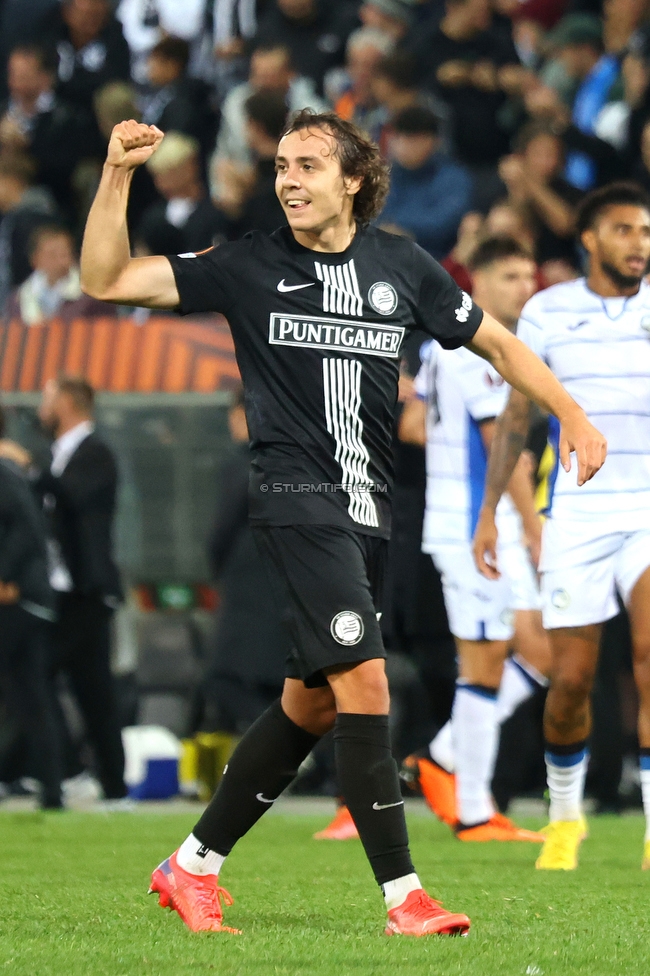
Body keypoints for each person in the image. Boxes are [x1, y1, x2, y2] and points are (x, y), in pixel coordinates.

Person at [79, 111, 604, 937]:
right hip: (294, 500)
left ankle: (190, 866)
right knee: (366, 681)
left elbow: (498, 345)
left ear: (353, 179)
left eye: (309, 166)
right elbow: (107, 279)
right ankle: (406, 899)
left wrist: (571, 413)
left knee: (313, 707)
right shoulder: (250, 265)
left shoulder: (401, 265)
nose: (288, 180)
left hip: (369, 515)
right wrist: (117, 174)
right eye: (281, 165)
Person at [473, 181, 650, 871]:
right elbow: (518, 418)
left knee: (647, 659)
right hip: (577, 511)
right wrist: (490, 511)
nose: (639, 243)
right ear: (590, 238)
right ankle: (566, 815)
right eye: (625, 230)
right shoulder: (548, 311)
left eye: (646, 231)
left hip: (647, 507)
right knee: (571, 678)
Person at [398, 236, 551, 839]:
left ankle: (442, 756)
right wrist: (534, 527)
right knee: (484, 664)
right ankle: (474, 811)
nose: (525, 287)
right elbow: (501, 443)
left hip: (476, 522)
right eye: (510, 275)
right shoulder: (473, 344)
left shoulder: (446, 346)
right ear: (478, 282)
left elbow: (414, 422)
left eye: (528, 274)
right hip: (476, 530)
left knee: (540, 653)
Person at [36, 375, 127, 803]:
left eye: (47, 398)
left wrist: (30, 472)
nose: (41, 408)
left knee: (41, 677)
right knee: (90, 690)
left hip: (86, 593)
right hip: (60, 591)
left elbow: (72, 500)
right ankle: (103, 780)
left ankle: (69, 770)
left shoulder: (96, 454)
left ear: (67, 404)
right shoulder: (56, 455)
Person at [204, 386, 286, 733]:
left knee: (224, 680)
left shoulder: (241, 463)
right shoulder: (293, 462)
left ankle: (282, 744)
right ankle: (304, 754)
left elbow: (223, 527)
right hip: (284, 584)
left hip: (246, 586)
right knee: (275, 681)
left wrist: (215, 564)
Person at [0, 404, 61, 809]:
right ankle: (50, 787)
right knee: (29, 697)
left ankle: (50, 785)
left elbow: (28, 526)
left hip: (19, 602)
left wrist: (6, 577)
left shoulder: (4, 472)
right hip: (26, 599)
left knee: (29, 696)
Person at [379, 106, 473, 260]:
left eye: (411, 138)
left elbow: (444, 224)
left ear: (433, 141)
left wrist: (401, 228)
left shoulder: (453, 177)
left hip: (438, 262)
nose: (402, 144)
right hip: (388, 258)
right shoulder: (387, 176)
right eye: (398, 137)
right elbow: (372, 216)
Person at [6, 223, 116, 325]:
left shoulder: (92, 297)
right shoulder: (18, 299)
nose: (61, 261)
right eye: (53, 255)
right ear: (35, 259)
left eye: (64, 254)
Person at [136, 131, 226, 255]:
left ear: (190, 166)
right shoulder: (154, 219)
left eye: (168, 172)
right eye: (157, 175)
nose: (160, 182)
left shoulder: (216, 211)